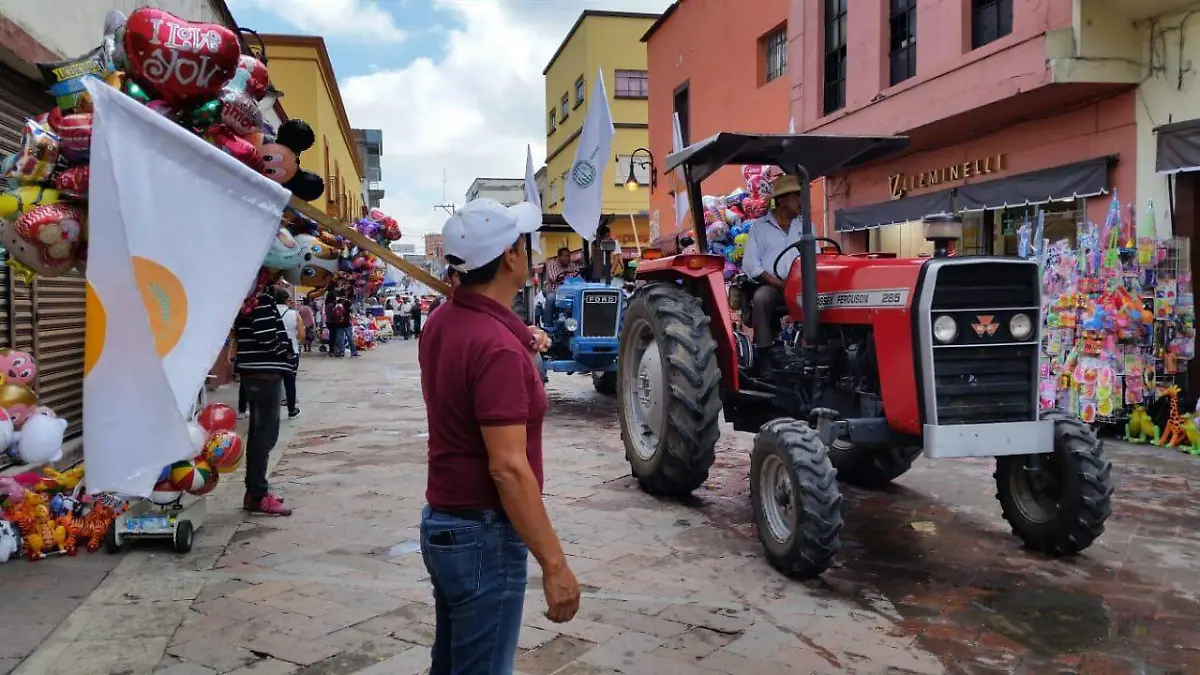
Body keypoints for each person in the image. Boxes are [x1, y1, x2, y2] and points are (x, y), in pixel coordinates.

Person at [419, 198, 579, 673]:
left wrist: (517, 334)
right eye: (524, 243)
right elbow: (508, 468)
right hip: (483, 533)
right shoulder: (495, 347)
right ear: (510, 256)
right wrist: (555, 565)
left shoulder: (443, 322)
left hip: (446, 522)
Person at [231, 286, 294, 516]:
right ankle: (258, 494)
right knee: (265, 435)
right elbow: (266, 335)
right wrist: (284, 352)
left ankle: (255, 491)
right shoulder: (262, 298)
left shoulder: (246, 296)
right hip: (264, 373)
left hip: (253, 372)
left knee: (259, 434)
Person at [742, 174, 807, 369]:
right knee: (762, 298)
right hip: (774, 285)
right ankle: (765, 352)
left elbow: (816, 258)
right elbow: (751, 264)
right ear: (782, 200)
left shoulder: (805, 225)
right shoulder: (759, 228)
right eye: (797, 196)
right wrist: (778, 283)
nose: (801, 201)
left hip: (801, 284)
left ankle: (816, 347)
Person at [274, 288, 303, 420]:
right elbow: (302, 335)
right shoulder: (295, 314)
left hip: (274, 351)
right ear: (287, 300)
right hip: (291, 352)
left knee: (273, 382)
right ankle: (291, 410)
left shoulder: (270, 313)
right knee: (290, 382)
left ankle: (271, 412)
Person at [541, 246, 579, 313]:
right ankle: (547, 322)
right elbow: (555, 278)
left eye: (568, 256)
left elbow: (578, 278)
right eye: (564, 256)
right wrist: (566, 272)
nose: (567, 258)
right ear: (559, 257)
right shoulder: (552, 265)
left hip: (569, 292)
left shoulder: (572, 265)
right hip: (552, 290)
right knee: (551, 298)